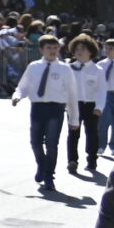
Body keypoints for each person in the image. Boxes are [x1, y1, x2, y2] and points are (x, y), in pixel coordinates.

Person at [13, 32, 74, 189]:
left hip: (56, 108)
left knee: (52, 143)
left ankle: (49, 175)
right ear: (41, 50)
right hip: (38, 107)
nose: (52, 51)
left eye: (55, 48)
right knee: (35, 141)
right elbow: (23, 86)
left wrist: (74, 117)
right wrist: (17, 96)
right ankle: (42, 163)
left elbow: (72, 94)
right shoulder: (34, 67)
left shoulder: (65, 69)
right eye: (49, 48)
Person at [68, 34, 110, 176]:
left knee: (92, 134)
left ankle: (92, 159)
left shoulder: (97, 70)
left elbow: (101, 90)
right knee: (73, 134)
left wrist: (99, 106)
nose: (79, 52)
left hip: (91, 106)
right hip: (74, 105)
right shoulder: (69, 68)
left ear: (91, 51)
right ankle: (72, 161)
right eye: (77, 49)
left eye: (83, 49)